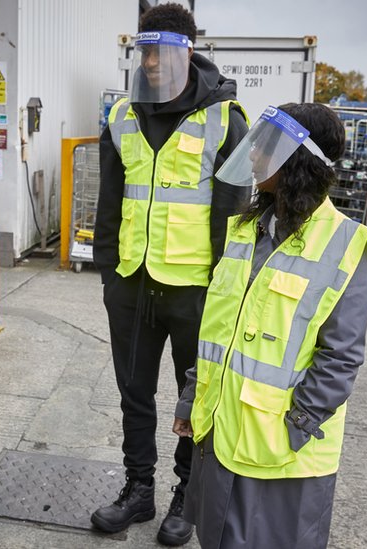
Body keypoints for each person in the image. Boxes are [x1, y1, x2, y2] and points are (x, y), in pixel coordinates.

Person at [172, 103, 367, 549]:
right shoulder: (246, 230)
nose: (252, 154)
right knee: (216, 538)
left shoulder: (347, 245)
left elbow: (341, 356)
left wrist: (298, 424)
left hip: (282, 449)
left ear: (297, 160)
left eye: (266, 145)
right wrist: (191, 397)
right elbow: (216, 331)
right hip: (220, 427)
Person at [91, 3, 249, 546]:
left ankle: (186, 495)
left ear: (187, 49)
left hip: (195, 291)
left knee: (195, 400)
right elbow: (108, 203)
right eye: (144, 50)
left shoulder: (227, 120)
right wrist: (108, 275)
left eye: (160, 50)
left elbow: (234, 217)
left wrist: (224, 293)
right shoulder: (122, 116)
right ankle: (139, 491)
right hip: (132, 284)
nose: (151, 61)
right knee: (133, 392)